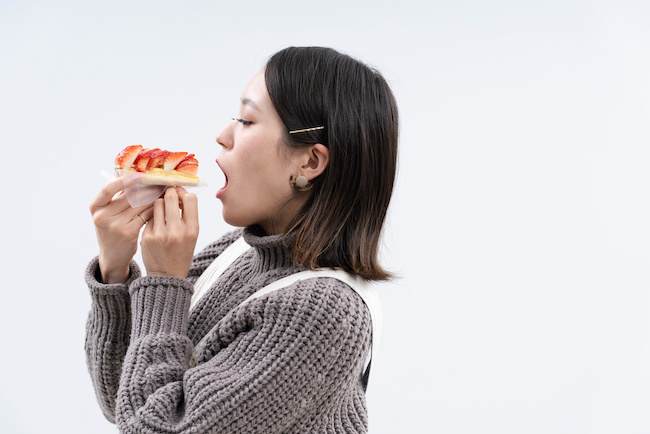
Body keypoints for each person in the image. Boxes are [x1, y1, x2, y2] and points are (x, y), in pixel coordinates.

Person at [85, 46, 399, 433]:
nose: (222, 136)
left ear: (310, 162)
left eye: (247, 121)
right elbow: (125, 401)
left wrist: (163, 282)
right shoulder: (236, 252)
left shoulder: (321, 313)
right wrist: (115, 271)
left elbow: (152, 427)